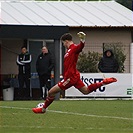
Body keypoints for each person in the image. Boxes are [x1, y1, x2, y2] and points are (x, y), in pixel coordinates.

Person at [32, 32, 117, 114]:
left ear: (66, 41)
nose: (63, 45)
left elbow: (80, 47)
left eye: (63, 43)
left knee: (51, 92)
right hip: (74, 76)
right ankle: (103, 82)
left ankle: (43, 109)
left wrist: (82, 40)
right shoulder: (69, 50)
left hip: (70, 78)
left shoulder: (73, 48)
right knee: (86, 91)